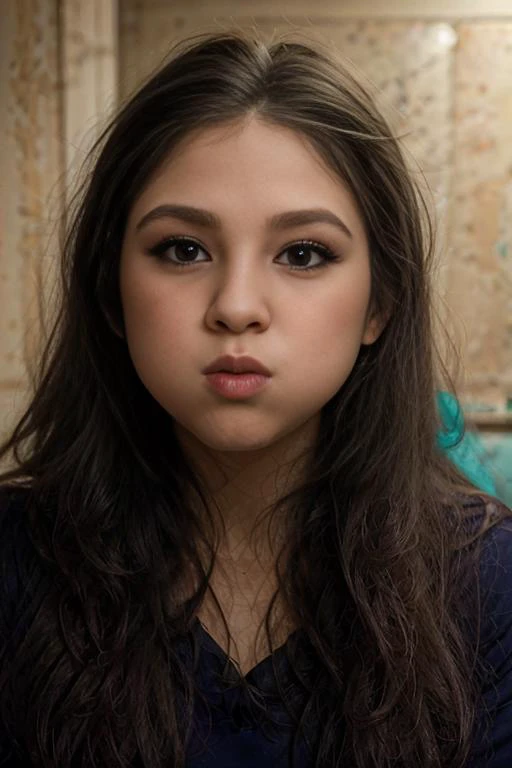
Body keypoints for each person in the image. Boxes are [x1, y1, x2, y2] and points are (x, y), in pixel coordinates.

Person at [0, 32, 511, 768]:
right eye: (183, 249)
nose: (237, 306)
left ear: (380, 304)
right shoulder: (16, 569)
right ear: (112, 291)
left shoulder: (488, 588)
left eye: (303, 254)